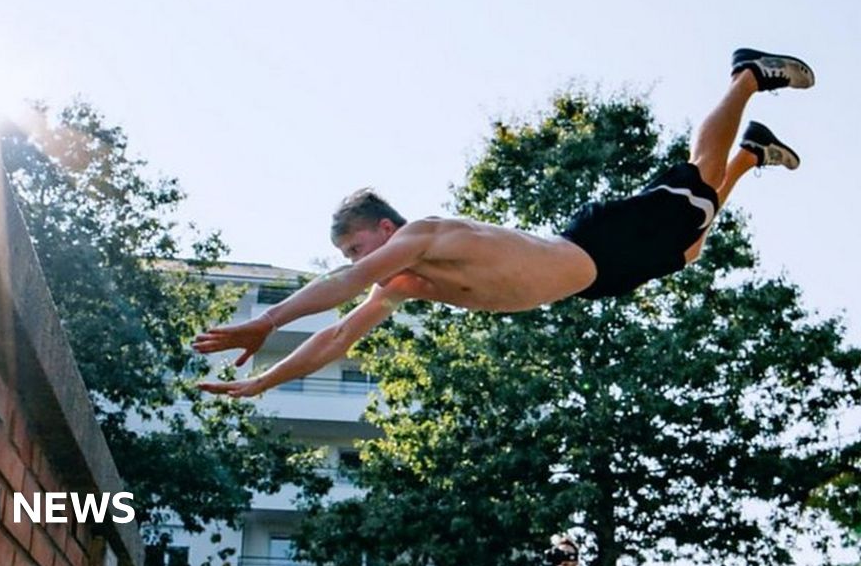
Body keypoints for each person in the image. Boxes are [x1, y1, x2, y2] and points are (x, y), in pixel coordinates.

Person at [194, 48, 814, 398]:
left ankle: (748, 75)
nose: (359, 262)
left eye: (358, 247)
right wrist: (265, 380)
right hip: (594, 280)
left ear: (385, 229)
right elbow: (336, 338)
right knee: (691, 247)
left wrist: (268, 319)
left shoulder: (423, 236)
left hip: (594, 245)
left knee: (697, 181)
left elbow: (340, 285)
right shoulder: (405, 282)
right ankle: (753, 152)